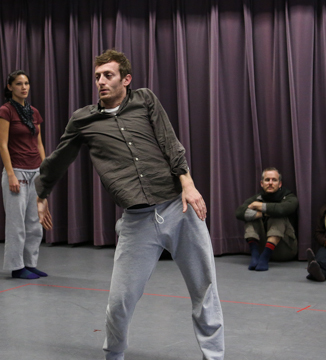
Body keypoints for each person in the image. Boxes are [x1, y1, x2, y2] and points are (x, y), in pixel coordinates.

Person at [35, 49, 224, 360]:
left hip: (179, 208)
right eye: (97, 77)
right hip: (137, 221)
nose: (101, 82)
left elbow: (169, 140)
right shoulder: (84, 120)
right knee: (121, 300)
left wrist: (188, 184)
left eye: (108, 75)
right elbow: (58, 159)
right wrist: (41, 196)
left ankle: (214, 357)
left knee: (205, 290)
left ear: (126, 79)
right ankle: (114, 354)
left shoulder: (145, 99)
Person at [0, 70, 50, 279]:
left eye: (26, 83)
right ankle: (17, 267)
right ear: (10, 87)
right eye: (19, 84)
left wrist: (45, 171)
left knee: (34, 222)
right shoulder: (5, 111)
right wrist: (10, 174)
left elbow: (38, 143)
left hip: (35, 171)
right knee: (16, 224)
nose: (24, 87)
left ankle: (30, 263)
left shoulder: (34, 112)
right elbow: (2, 144)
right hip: (16, 171)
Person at [235, 167, 298, 271]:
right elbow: (239, 212)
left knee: (277, 216)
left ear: (280, 184)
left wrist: (258, 206)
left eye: (274, 180)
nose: (270, 183)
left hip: (285, 250)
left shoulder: (289, 197)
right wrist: (263, 214)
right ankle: (255, 257)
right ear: (261, 183)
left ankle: (265, 258)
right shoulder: (257, 198)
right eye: (267, 180)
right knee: (250, 217)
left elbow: (282, 210)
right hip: (262, 248)